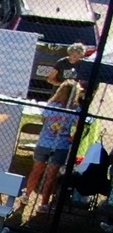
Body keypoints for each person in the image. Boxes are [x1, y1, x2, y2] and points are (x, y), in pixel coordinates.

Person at [23, 80, 83, 217]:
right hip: (60, 144)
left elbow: (43, 120)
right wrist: (71, 137)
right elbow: (80, 126)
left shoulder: (51, 105)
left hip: (44, 142)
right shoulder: (75, 109)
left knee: (36, 171)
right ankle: (43, 204)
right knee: (51, 176)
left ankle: (27, 195)